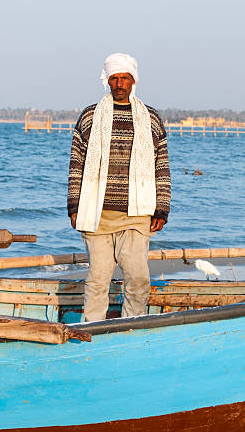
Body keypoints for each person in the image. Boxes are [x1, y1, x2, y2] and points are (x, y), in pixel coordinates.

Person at [67, 53, 171, 320]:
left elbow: (162, 165)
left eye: (125, 78)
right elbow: (76, 163)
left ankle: (131, 326)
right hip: (96, 213)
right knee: (98, 280)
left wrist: (162, 209)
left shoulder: (151, 118)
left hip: (136, 214)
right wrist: (73, 206)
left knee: (137, 278)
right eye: (114, 78)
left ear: (133, 80)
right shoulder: (90, 117)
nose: (119, 83)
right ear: (107, 80)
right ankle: (92, 329)